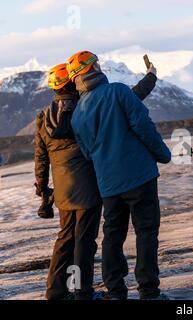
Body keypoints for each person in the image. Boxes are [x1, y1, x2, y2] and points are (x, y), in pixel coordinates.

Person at [35, 61, 158, 300]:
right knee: (85, 242)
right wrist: (150, 78)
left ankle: (56, 291)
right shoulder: (82, 107)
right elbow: (130, 99)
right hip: (90, 186)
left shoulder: (43, 117)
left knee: (65, 240)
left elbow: (40, 156)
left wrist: (42, 188)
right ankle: (82, 291)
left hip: (63, 190)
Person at [68, 51, 171, 300]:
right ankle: (149, 291)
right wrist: (163, 154)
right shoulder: (118, 91)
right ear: (95, 68)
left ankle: (116, 292)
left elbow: (88, 152)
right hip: (139, 175)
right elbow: (143, 125)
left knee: (113, 236)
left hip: (109, 184)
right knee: (146, 232)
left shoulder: (77, 115)